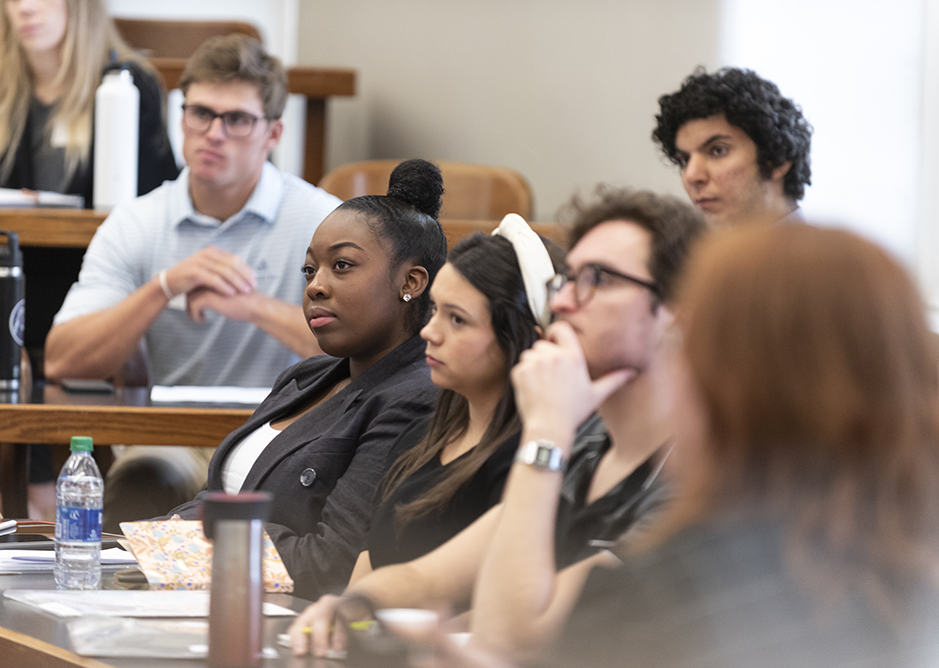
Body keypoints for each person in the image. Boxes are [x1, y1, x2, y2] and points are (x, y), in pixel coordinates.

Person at [289, 187, 708, 658]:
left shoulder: (695, 482)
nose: (566, 302)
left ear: (679, 314)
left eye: (600, 279)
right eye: (567, 281)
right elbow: (427, 576)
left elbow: (509, 635)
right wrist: (348, 607)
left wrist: (547, 433)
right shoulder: (589, 450)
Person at [536, 223, 939, 667]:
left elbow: (520, 623)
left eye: (683, 347)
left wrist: (543, 432)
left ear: (727, 387)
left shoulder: (651, 602)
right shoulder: (911, 573)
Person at [166, 159, 446, 600]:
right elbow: (213, 498)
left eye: (343, 266)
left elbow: (330, 563)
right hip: (211, 594)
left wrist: (200, 539)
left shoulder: (415, 397)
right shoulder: (305, 377)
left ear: (410, 281)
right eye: (310, 270)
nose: (316, 285)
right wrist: (171, 534)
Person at [45, 33, 339, 387]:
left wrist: (254, 307)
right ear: (182, 119)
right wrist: (163, 288)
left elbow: (375, 350)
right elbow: (61, 361)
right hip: (168, 436)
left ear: (273, 134)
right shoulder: (135, 223)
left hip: (290, 433)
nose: (214, 134)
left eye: (237, 119)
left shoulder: (323, 221)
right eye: (201, 113)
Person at [0, 0, 179, 360]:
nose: (25, 9)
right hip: (6, 281)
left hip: (95, 283)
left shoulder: (131, 85)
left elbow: (153, 205)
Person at [357, 217, 564, 578]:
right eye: (435, 310)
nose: (429, 332)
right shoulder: (418, 435)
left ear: (521, 340)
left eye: (457, 320)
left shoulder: (528, 461)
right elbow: (368, 560)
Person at [652, 67, 812, 227]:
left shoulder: (823, 251)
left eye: (718, 151)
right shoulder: (690, 250)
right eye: (685, 160)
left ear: (777, 159)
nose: (692, 176)